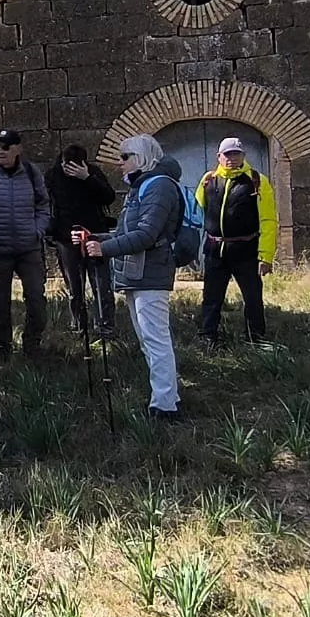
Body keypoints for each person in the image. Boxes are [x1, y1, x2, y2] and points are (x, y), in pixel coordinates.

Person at [84, 135, 184, 420]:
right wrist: (95, 238)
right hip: (138, 274)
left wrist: (102, 249)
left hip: (151, 274)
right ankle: (167, 397)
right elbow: (126, 234)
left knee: (155, 339)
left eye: (125, 156)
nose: (120, 162)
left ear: (140, 157)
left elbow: (146, 235)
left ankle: (164, 405)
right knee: (148, 340)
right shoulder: (142, 187)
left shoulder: (159, 186)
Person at [0, 129, 53, 356]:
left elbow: (44, 205)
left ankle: (32, 343)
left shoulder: (31, 173)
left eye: (5, 147)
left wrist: (37, 230)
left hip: (29, 249)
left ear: (18, 149)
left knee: (36, 298)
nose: (0, 151)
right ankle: (1, 347)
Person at [194, 138, 278, 346]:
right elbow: (197, 210)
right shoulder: (208, 180)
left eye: (236, 154)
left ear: (243, 156)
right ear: (219, 157)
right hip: (215, 249)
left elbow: (268, 220)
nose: (231, 158)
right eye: (227, 154)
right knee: (211, 298)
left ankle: (255, 339)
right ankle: (208, 338)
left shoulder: (257, 181)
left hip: (246, 250)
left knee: (252, 298)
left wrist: (265, 256)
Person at [47, 144, 118, 337]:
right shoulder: (53, 176)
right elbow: (46, 203)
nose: (69, 169)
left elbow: (108, 197)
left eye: (74, 165)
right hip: (66, 237)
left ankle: (105, 327)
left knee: (101, 285)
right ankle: (79, 325)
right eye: (66, 165)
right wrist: (50, 232)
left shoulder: (92, 173)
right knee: (74, 287)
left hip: (95, 234)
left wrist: (87, 178)